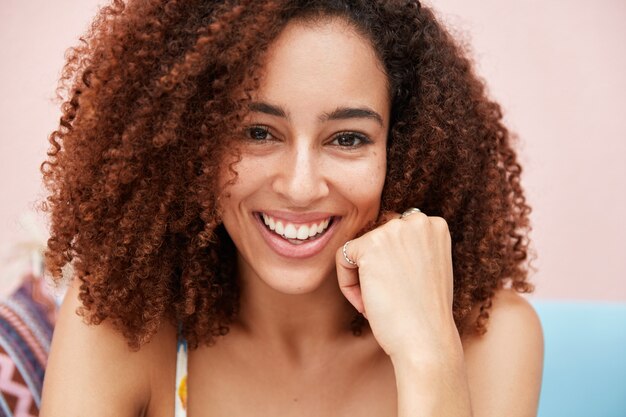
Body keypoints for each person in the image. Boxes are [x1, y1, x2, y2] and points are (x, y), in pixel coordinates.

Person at [38, 0, 543, 416]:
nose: (301, 187)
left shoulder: (487, 339)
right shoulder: (121, 322)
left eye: (347, 138)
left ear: (405, 147)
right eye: (258, 132)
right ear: (192, 141)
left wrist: (429, 358)